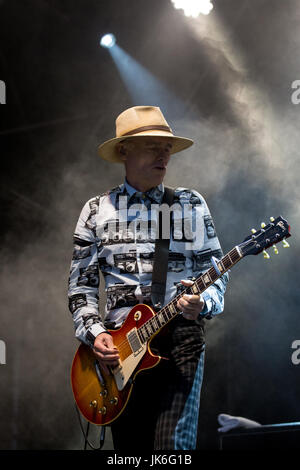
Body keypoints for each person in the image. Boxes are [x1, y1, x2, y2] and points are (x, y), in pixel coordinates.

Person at [68, 105, 229, 451]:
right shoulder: (96, 210)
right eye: (153, 145)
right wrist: (96, 335)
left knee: (172, 449)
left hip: (180, 340)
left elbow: (215, 274)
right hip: (119, 356)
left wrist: (203, 303)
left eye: (167, 146)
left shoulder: (190, 204)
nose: (164, 153)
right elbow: (80, 288)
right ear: (124, 150)